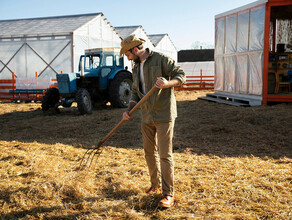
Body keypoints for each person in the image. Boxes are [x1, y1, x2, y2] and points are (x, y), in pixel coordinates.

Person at [120, 34, 185, 208]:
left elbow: (181, 75)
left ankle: (168, 193)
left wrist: (167, 83)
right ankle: (155, 184)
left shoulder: (161, 59)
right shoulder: (135, 67)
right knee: (149, 152)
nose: (126, 57)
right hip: (146, 115)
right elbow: (135, 92)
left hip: (164, 114)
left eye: (127, 53)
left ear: (135, 49)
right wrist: (128, 111)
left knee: (164, 155)